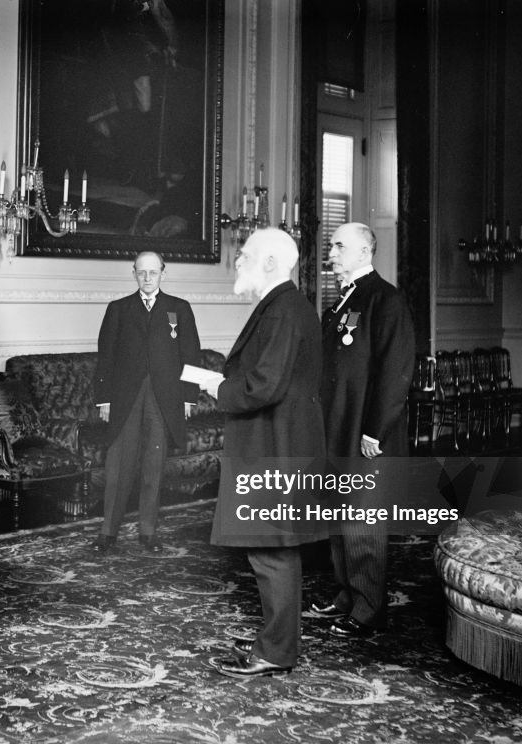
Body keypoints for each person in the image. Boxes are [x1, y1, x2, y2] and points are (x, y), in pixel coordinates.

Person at [202, 228, 326, 678]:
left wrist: (219, 386)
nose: (237, 261)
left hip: (274, 448)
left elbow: (264, 386)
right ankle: (277, 642)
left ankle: (275, 651)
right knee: (274, 549)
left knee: (270, 550)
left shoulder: (281, 311)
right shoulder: (289, 306)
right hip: (282, 442)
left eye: (246, 255)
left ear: (271, 262)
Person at [312, 222, 415, 638]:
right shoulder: (344, 301)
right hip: (338, 426)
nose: (330, 254)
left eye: (338, 246)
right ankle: (346, 595)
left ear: (364, 252)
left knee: (363, 519)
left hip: (365, 432)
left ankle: (369, 607)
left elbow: (396, 372)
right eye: (332, 246)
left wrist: (375, 430)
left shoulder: (385, 299)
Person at [93, 250, 201, 552]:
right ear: (134, 273)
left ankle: (148, 531)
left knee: (155, 464)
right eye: (142, 272)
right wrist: (104, 399)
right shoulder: (118, 309)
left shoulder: (179, 309)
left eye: (153, 272)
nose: (148, 277)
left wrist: (188, 398)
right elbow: (106, 358)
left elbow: (191, 354)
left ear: (163, 274)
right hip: (125, 396)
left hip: (165, 397)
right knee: (119, 464)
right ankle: (108, 531)